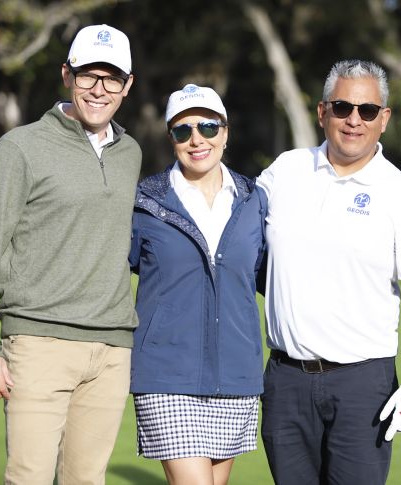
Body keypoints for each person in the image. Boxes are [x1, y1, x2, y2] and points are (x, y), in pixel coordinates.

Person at [0, 24, 140, 484]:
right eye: (87, 76)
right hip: (38, 346)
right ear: (66, 75)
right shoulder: (19, 148)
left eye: (111, 78)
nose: (99, 90)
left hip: (110, 352)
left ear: (128, 85)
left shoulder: (131, 152)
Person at [256, 59, 401, 485]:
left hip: (363, 386)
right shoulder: (285, 170)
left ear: (384, 119)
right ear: (323, 113)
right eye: (342, 108)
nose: (354, 120)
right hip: (286, 381)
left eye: (367, 110)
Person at [129, 84, 267, 485]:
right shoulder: (144, 201)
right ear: (170, 138)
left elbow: (270, 277)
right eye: (182, 130)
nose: (196, 140)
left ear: (225, 132)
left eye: (208, 127)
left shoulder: (254, 199)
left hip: (236, 376)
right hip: (166, 375)